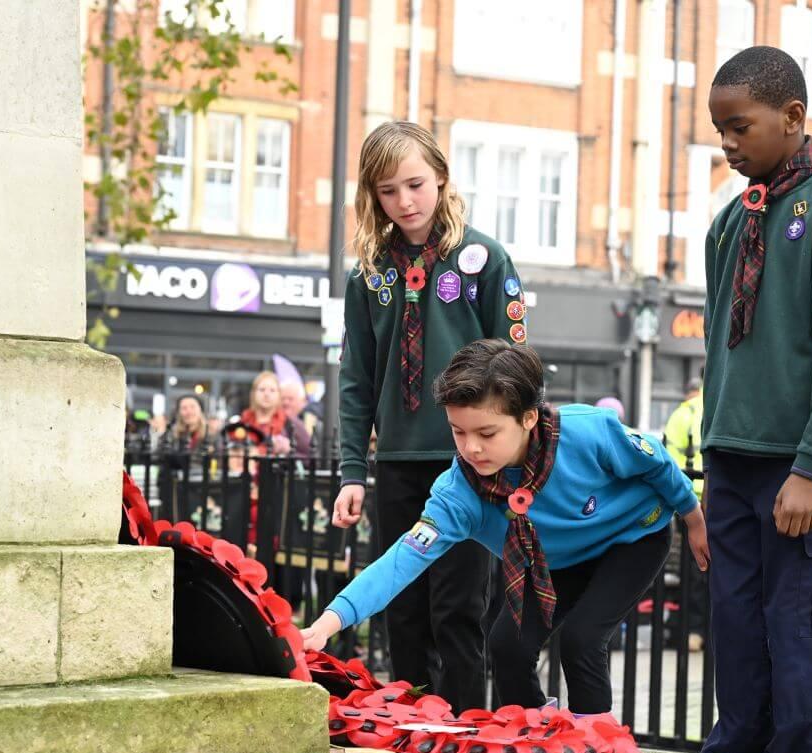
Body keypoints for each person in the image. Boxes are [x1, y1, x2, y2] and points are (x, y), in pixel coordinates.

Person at [302, 340, 706, 714]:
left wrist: (692, 516)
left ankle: (594, 746)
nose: (471, 447)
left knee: (582, 641)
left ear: (528, 417)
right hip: (556, 562)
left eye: (487, 433)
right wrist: (329, 621)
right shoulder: (458, 493)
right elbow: (400, 561)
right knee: (507, 646)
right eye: (458, 432)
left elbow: (655, 462)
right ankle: (534, 732)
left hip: (631, 538)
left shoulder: (588, 431)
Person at [700, 46, 812, 753]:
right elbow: (721, 350)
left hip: (808, 471)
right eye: (720, 131)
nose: (728, 143)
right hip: (734, 463)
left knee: (800, 641)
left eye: (739, 127)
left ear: (793, 117)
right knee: (737, 640)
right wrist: (713, 454)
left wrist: (809, 469)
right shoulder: (729, 222)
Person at [331, 121, 526, 712]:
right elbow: (356, 376)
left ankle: (465, 730)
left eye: (415, 184)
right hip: (395, 464)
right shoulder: (367, 274)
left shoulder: (485, 260)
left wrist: (514, 465)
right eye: (388, 190)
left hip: (469, 465)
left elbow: (516, 371)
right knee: (403, 608)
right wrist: (351, 470)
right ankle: (410, 727)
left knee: (459, 610)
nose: (405, 202)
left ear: (441, 177)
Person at [663, 377, 707, 651]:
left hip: (690, 502)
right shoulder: (719, 404)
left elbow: (669, 465)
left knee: (694, 570)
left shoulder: (683, 414)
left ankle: (693, 631)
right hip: (725, 499)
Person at [239, 371, 311, 458]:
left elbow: (311, 457)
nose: (266, 394)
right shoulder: (243, 421)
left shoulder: (290, 423)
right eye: (262, 390)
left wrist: (289, 451)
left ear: (279, 395)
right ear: (254, 393)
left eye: (272, 390)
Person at [280, 380, 322, 454]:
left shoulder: (312, 423)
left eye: (290, 399)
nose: (285, 402)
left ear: (303, 402)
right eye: (282, 399)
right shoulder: (275, 420)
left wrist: (289, 450)